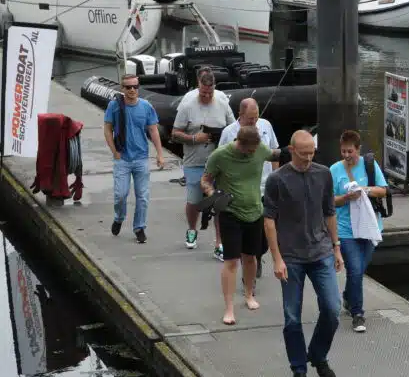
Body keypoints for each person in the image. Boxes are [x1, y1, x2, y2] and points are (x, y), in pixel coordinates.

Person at [263, 130, 343, 377]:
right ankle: (298, 369)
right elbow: (269, 220)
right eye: (303, 154)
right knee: (291, 317)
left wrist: (336, 247)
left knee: (332, 309)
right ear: (291, 150)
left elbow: (329, 212)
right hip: (291, 256)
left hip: (321, 251)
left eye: (312, 153)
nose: (308, 158)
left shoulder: (323, 174)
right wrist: (276, 258)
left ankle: (318, 355)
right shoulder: (277, 179)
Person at [201, 126, 282, 325]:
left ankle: (248, 295)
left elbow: (276, 155)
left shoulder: (260, 149)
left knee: (251, 258)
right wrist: (212, 194)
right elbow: (205, 180)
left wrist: (298, 150)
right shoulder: (220, 155)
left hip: (255, 212)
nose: (252, 153)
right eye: (249, 150)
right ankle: (229, 308)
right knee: (231, 261)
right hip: (231, 213)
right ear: (240, 143)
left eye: (255, 150)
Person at [172, 67, 235, 256]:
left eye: (209, 93)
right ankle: (192, 229)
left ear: (214, 88)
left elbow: (233, 129)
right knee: (194, 200)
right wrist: (193, 138)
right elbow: (174, 133)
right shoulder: (187, 104)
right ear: (198, 87)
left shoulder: (222, 102)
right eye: (203, 93)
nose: (206, 96)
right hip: (195, 161)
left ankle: (220, 242)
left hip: (219, 163)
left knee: (220, 202)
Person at [330, 130, 388, 333]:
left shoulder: (369, 164)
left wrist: (364, 190)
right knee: (355, 270)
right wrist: (346, 198)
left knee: (359, 271)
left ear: (358, 149)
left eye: (350, 151)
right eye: (343, 151)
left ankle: (348, 296)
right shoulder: (334, 170)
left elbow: (383, 190)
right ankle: (358, 314)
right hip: (346, 229)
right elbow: (329, 201)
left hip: (369, 226)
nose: (347, 155)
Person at [219, 98, 279, 278]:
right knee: (246, 231)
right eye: (250, 118)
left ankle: (257, 255)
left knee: (264, 232)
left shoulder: (265, 126)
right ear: (240, 114)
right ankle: (249, 262)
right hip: (240, 191)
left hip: (264, 186)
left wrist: (276, 178)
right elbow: (220, 159)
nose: (254, 121)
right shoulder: (229, 132)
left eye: (256, 117)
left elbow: (274, 152)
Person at [103, 74, 165, 244]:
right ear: (122, 88)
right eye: (128, 87)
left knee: (142, 196)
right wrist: (114, 151)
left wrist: (160, 154)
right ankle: (119, 217)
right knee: (120, 194)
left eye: (135, 87)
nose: (132, 90)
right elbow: (107, 129)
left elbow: (153, 130)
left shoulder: (146, 107)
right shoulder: (114, 106)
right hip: (122, 158)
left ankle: (139, 227)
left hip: (141, 158)